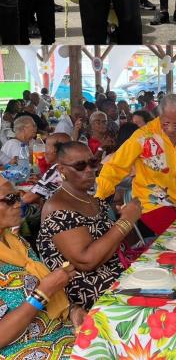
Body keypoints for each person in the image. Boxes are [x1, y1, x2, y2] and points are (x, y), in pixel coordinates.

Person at [36, 141, 141, 311]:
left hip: (120, 275)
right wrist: (126, 221)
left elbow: (114, 243)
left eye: (93, 163)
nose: (89, 170)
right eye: (80, 166)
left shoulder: (92, 200)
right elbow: (86, 260)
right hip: (92, 292)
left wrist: (124, 217)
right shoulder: (57, 207)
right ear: (61, 170)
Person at [93, 94, 176, 241]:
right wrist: (99, 199)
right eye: (166, 123)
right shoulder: (143, 136)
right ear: (159, 115)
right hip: (151, 204)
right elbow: (116, 167)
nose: (171, 129)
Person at [0, 175, 76, 358]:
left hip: (60, 330)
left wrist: (73, 310)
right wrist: (43, 292)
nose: (19, 203)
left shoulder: (15, 242)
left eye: (18, 196)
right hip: (25, 349)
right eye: (10, 199)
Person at [22, 133, 70, 206]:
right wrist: (41, 182)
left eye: (46, 147)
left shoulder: (58, 168)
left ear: (55, 150)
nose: (44, 152)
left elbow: (26, 199)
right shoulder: (70, 165)